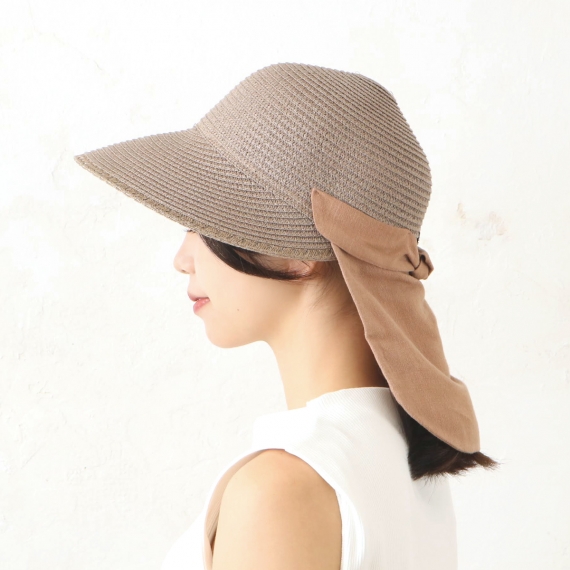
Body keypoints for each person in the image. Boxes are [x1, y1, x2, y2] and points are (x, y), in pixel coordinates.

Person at [74, 62, 500, 570]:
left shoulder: (280, 492)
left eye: (200, 221)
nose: (182, 258)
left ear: (295, 254)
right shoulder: (404, 462)